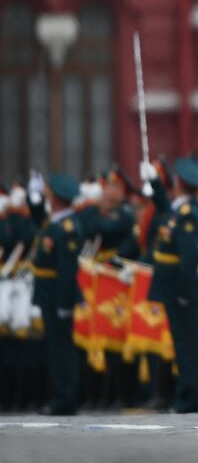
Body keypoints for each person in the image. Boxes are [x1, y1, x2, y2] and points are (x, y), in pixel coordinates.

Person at [148, 157, 198, 414]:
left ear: (181, 183)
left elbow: (187, 256)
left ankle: (190, 398)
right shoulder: (179, 208)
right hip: (173, 286)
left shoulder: (189, 213)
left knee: (187, 347)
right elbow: (164, 208)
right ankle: (186, 395)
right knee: (182, 344)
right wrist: (154, 182)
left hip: (181, 287)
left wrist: (186, 290)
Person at [31, 173, 84, 416]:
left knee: (62, 349)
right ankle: (61, 397)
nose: (47, 198)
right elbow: (38, 220)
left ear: (57, 198)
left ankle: (65, 399)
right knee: (56, 348)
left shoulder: (68, 227)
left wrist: (64, 302)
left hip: (57, 296)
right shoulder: (56, 223)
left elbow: (67, 270)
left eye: (49, 194)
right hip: (49, 294)